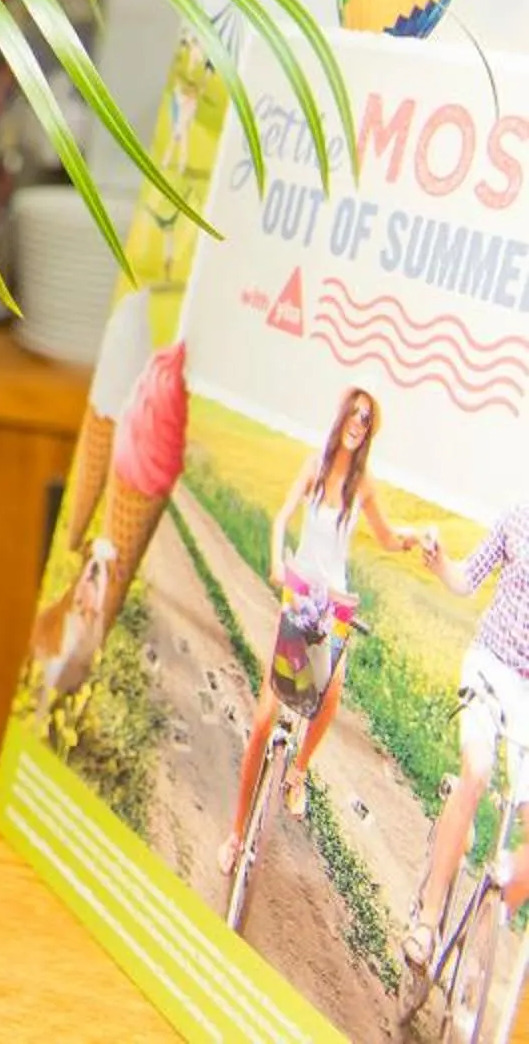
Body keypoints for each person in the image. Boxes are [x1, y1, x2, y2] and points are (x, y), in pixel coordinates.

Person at [219, 387, 408, 877]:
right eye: (354, 412)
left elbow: (386, 538)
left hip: (336, 602)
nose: (358, 422)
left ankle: (298, 771)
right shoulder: (315, 465)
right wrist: (277, 559)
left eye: (366, 419)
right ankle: (236, 834)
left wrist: (414, 540)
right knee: (263, 719)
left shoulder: (362, 484)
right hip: (300, 592)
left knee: (332, 694)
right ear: (341, 415)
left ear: (369, 431)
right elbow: (282, 516)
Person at [405, 495, 529, 973]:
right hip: (490, 667)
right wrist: (440, 564)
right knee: (475, 772)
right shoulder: (516, 516)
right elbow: (466, 579)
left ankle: (486, 936)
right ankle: (429, 921)